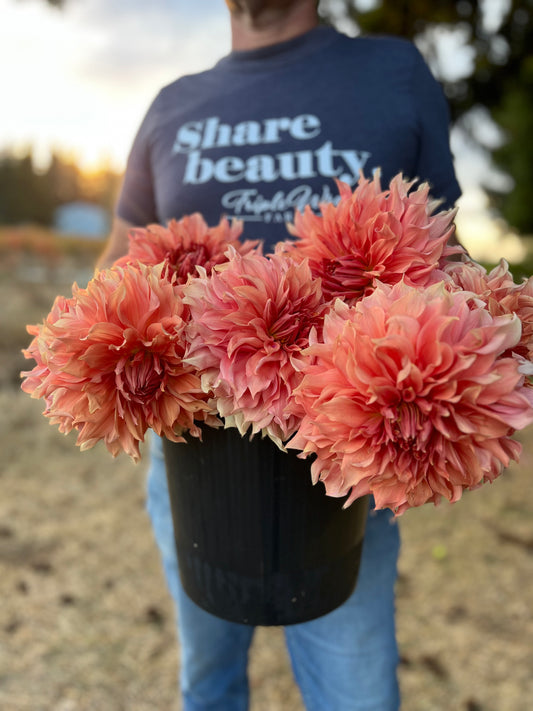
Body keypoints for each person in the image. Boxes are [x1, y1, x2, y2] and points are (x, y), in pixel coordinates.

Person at [97, 1, 461, 709]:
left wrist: (482, 339)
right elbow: (121, 255)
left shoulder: (393, 73)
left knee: (356, 693)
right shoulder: (172, 105)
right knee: (206, 681)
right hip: (195, 453)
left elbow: (438, 249)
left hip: (348, 453)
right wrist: (78, 341)